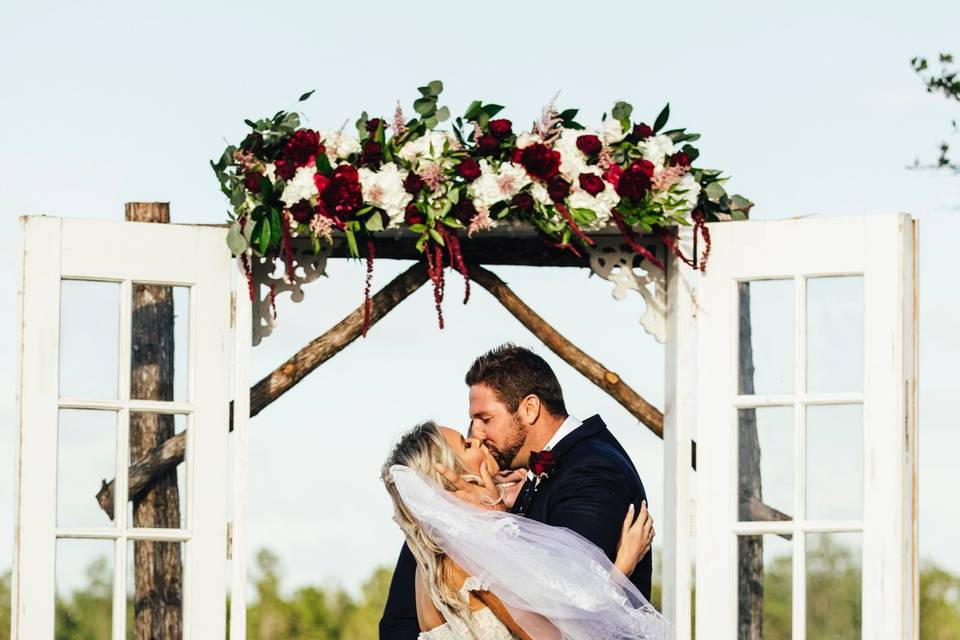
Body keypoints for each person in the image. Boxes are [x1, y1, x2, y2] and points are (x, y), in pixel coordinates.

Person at [380, 344, 657, 638]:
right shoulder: (463, 552)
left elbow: (570, 593)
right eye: (468, 438)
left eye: (485, 419)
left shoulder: (593, 470)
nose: (477, 435)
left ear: (529, 408)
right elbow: (566, 626)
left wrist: (497, 519)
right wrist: (621, 569)